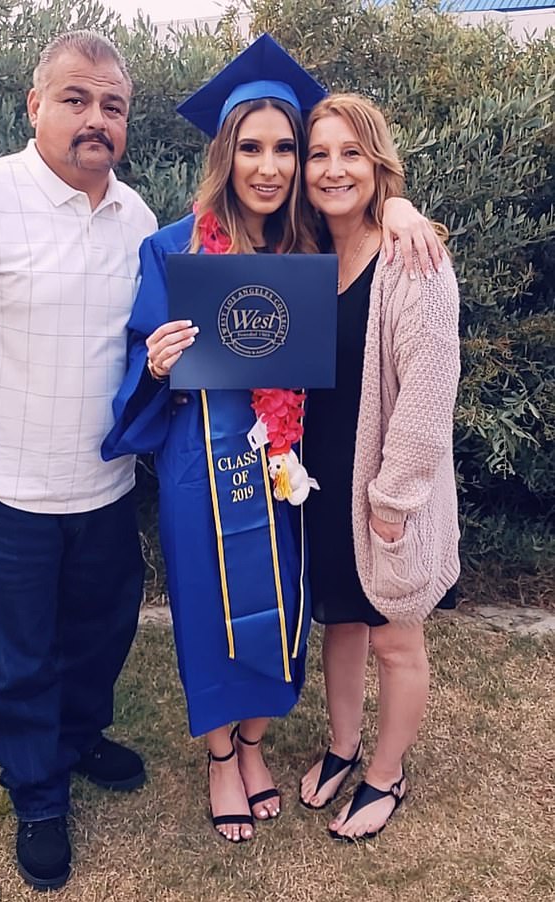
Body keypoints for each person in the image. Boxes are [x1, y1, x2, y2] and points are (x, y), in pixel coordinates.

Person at [102, 35, 443, 844]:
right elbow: (137, 373)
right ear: (226, 153)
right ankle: (223, 757)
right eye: (250, 147)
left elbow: (369, 228)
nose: (270, 165)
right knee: (211, 605)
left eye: (284, 147)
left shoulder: (312, 246)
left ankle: (256, 741)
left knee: (284, 606)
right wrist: (154, 367)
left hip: (288, 465)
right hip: (200, 461)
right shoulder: (175, 247)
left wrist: (397, 202)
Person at [0, 31, 156, 890]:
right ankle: (37, 791)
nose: (96, 119)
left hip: (101, 482)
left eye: (114, 106)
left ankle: (79, 734)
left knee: (100, 630)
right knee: (13, 654)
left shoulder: (133, 217)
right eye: (76, 99)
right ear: (34, 106)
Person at [299, 93, 461, 842]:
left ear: (377, 163)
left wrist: (393, 500)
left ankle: (387, 774)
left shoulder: (412, 256)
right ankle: (342, 745)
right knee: (340, 620)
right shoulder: (305, 256)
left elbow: (429, 393)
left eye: (350, 153)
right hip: (318, 474)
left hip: (385, 483)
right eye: (319, 154)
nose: (334, 169)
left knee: (395, 636)